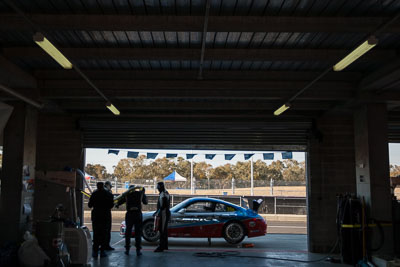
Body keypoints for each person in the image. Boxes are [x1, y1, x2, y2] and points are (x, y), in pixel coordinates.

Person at [116, 185, 148, 256]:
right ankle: (138, 250)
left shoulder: (127, 194)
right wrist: (143, 193)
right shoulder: (139, 194)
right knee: (138, 232)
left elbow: (119, 202)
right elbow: (146, 202)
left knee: (128, 232)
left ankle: (127, 249)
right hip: (137, 214)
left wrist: (117, 204)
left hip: (129, 214)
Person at [88, 182, 114, 258]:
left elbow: (89, 205)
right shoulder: (108, 194)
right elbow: (111, 205)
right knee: (104, 234)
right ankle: (102, 251)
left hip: (96, 216)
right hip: (105, 216)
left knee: (96, 233)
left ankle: (95, 251)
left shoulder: (94, 194)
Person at [153, 182, 170, 252]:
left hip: (164, 213)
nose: (158, 189)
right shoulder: (165, 193)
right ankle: (165, 245)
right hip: (164, 213)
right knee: (163, 230)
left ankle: (161, 246)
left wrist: (157, 212)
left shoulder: (163, 194)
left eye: (158, 188)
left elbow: (163, 206)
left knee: (162, 230)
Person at [103, 181, 114, 251]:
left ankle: (98, 246)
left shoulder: (96, 192)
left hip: (97, 214)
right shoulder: (109, 193)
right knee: (107, 230)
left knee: (99, 231)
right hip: (106, 213)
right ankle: (106, 245)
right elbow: (111, 204)